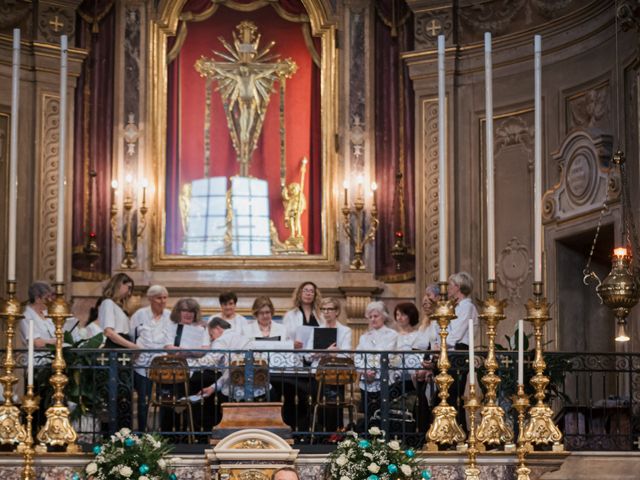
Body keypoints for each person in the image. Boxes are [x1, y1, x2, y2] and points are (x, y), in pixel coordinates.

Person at [305, 297, 352, 434]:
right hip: (318, 373)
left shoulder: (344, 330)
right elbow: (307, 355)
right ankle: (320, 435)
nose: (326, 312)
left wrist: (331, 353)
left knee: (335, 406)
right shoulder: (317, 330)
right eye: (323, 309)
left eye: (329, 309)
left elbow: (346, 355)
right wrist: (326, 352)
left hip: (337, 373)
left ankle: (335, 435)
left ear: (336, 311)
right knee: (318, 405)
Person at [130, 285, 172, 431]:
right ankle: (142, 432)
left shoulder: (170, 315)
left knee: (166, 399)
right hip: (142, 364)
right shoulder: (139, 315)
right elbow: (132, 337)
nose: (162, 301)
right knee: (143, 399)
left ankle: (165, 433)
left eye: (165, 298)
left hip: (164, 364)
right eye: (159, 298)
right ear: (150, 299)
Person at [355, 301, 398, 426]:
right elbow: (358, 357)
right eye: (370, 317)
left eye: (376, 316)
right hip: (367, 381)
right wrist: (365, 371)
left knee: (383, 415)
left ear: (383, 316)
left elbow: (389, 356)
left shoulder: (392, 335)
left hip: (384, 380)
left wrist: (374, 371)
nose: (373, 319)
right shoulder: (364, 337)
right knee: (368, 415)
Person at [447, 271, 479, 430]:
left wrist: (443, 342)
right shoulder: (456, 306)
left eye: (450, 285)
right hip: (450, 351)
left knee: (454, 394)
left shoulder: (467, 307)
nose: (447, 289)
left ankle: (459, 430)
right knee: (447, 394)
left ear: (458, 287)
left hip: (459, 352)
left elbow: (457, 333)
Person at [98, 273, 138, 349]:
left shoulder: (119, 308)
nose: (129, 293)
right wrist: (132, 346)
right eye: (128, 288)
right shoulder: (108, 303)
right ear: (119, 284)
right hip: (115, 347)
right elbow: (109, 332)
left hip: (122, 345)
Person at [282, 281, 321, 348]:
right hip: (296, 353)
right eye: (305, 291)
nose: (308, 293)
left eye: (312, 291)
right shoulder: (290, 315)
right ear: (299, 293)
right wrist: (292, 344)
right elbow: (284, 336)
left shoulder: (321, 315)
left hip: (316, 354)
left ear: (315, 295)